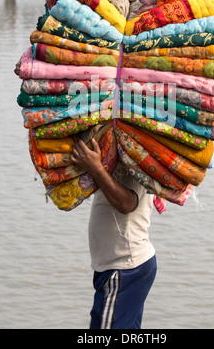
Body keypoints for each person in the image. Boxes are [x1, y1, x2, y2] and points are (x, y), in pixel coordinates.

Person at [70, 137, 157, 329]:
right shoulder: (117, 156)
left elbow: (127, 204)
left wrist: (96, 168)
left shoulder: (136, 158)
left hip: (124, 267)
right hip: (119, 266)